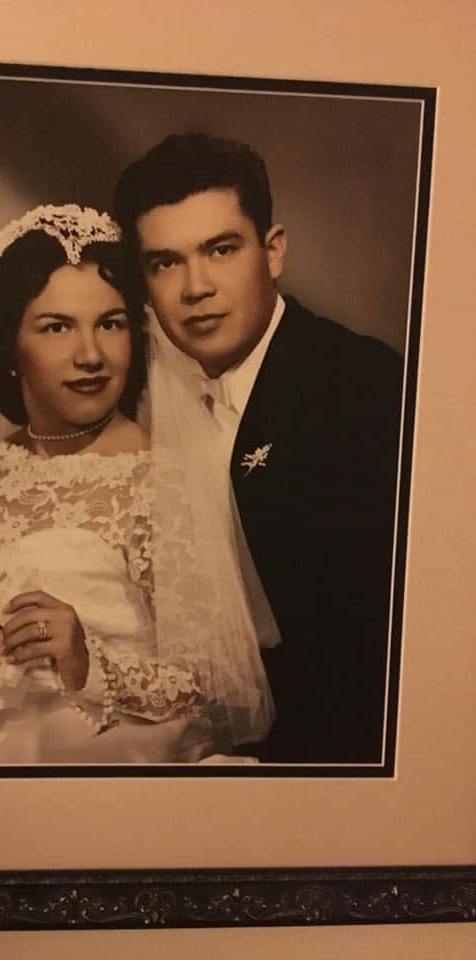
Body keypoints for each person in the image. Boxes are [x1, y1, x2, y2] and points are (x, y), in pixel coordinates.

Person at [0, 204, 274, 766]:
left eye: (110, 323)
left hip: (103, 751)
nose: (90, 355)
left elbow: (214, 687)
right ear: (10, 347)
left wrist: (90, 664)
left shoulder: (162, 479)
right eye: (57, 327)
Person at [114, 134, 403, 764]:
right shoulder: (144, 401)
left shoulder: (363, 389)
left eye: (220, 250)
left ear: (273, 252)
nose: (196, 287)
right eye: (165, 262)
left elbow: (384, 655)